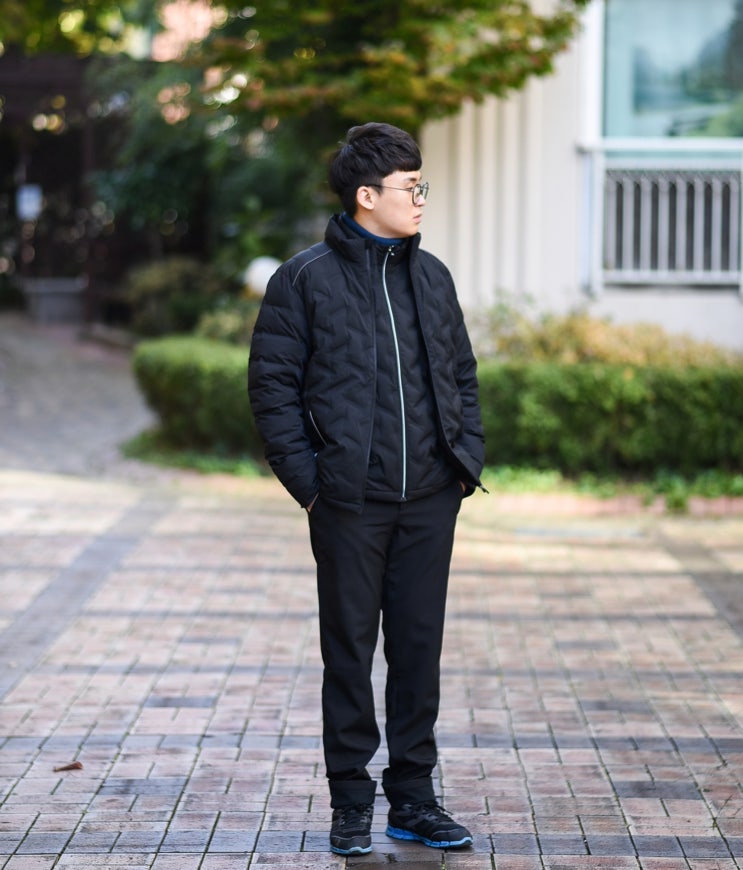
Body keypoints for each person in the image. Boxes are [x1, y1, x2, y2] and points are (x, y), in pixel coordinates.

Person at [247, 121, 485, 856]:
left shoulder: (432, 275)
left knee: (417, 652)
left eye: (421, 185)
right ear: (366, 195)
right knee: (348, 654)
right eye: (410, 187)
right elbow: (272, 390)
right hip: (347, 503)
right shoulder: (304, 280)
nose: (421, 199)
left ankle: (413, 799)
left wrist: (463, 459)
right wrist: (312, 485)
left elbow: (462, 375)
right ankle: (350, 802)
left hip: (430, 500)